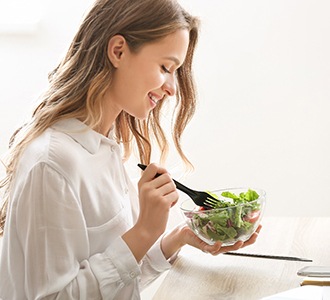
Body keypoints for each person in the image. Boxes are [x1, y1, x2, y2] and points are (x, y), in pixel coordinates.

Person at [0, 0, 261, 299]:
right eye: (165, 67)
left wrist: (177, 239)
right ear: (118, 51)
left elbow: (116, 285)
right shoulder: (52, 163)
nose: (172, 88)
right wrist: (144, 232)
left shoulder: (106, 148)